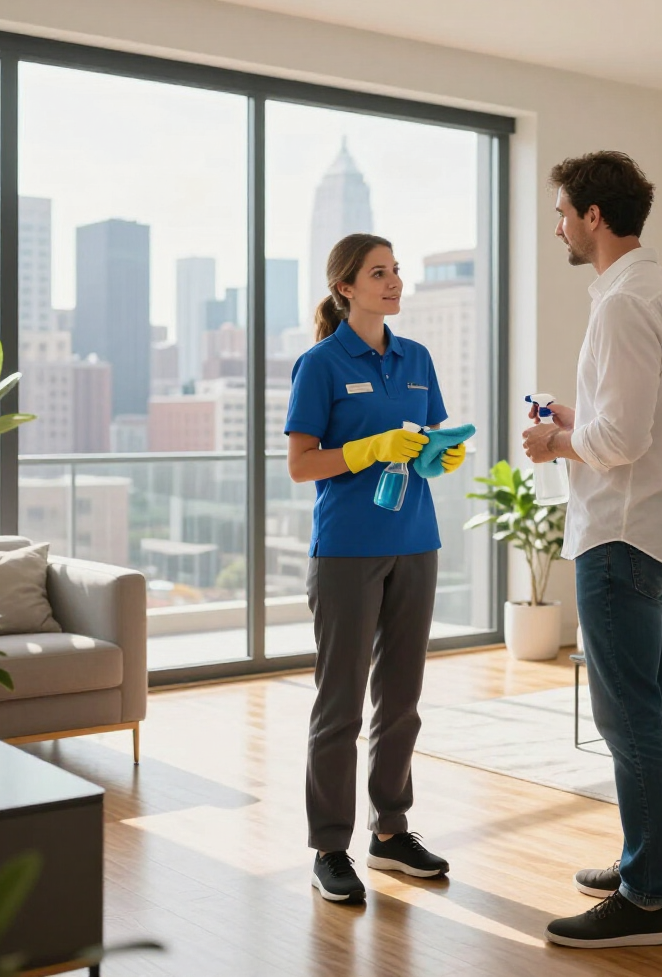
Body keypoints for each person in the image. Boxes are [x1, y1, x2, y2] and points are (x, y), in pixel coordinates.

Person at [522, 152, 662, 949]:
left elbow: (620, 440)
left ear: (595, 216)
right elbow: (643, 419)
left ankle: (644, 901)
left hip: (620, 535)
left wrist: (554, 438)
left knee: (628, 716)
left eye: (563, 211)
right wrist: (575, 415)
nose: (558, 224)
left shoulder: (623, 304)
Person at [286, 232, 467, 905]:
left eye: (396, 271)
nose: (394, 282)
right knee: (340, 706)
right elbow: (302, 464)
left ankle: (390, 833)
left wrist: (435, 456)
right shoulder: (322, 364)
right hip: (346, 550)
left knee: (402, 701)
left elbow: (431, 438)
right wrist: (367, 449)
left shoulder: (417, 359)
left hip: (417, 541)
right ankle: (329, 847)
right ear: (346, 288)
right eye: (379, 272)